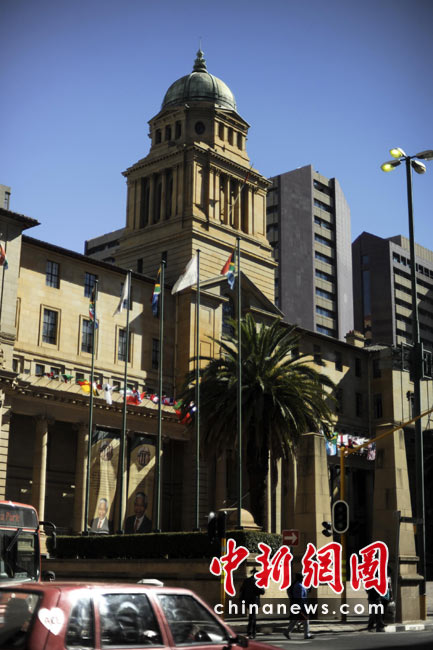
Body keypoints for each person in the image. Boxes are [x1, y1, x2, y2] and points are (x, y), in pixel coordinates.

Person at [284, 573, 313, 640]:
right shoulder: (299, 586)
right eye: (302, 578)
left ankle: (287, 632)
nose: (303, 579)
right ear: (300, 578)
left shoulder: (297, 585)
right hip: (301, 606)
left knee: (295, 620)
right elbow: (300, 597)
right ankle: (306, 635)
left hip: (299, 605)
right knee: (306, 620)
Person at [239, 568, 265, 639]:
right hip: (254, 601)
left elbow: (241, 590)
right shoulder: (258, 581)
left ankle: (253, 632)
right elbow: (262, 591)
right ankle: (250, 632)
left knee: (253, 616)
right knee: (252, 617)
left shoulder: (246, 580)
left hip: (247, 601)